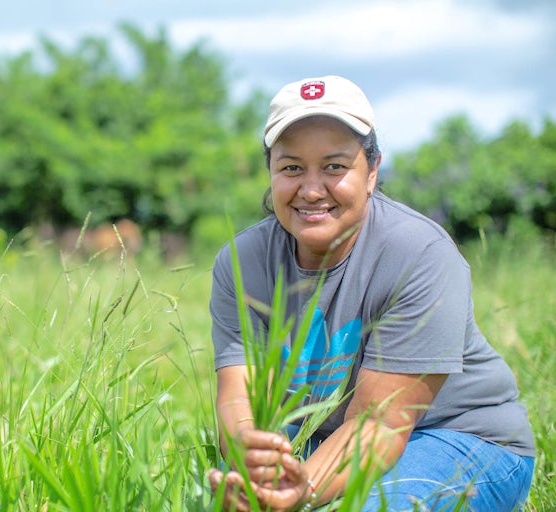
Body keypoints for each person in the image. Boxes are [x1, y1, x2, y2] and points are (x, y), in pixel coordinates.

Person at [207, 75, 535, 511]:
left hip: (457, 436)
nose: (310, 189)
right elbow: (238, 396)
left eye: (334, 166)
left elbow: (381, 423)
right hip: (326, 438)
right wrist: (248, 456)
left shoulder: (419, 254)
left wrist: (300, 492)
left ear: (372, 169)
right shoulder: (242, 261)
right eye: (291, 167)